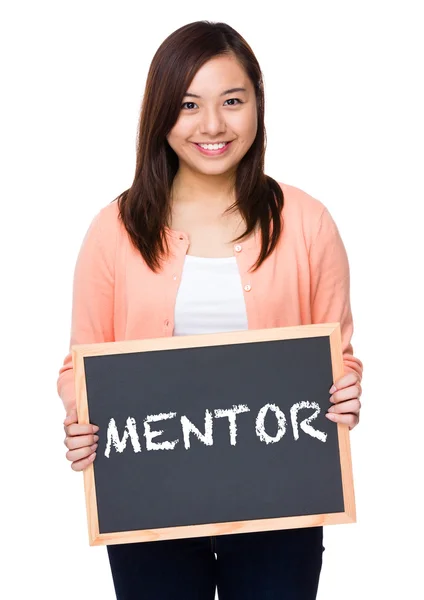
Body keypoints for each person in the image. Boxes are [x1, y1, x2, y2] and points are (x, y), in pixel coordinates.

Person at [57, 20, 363, 600]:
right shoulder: (114, 231)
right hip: (149, 504)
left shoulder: (306, 223)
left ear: (257, 105)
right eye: (189, 105)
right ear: (161, 114)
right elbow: (78, 367)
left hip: (281, 506)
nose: (213, 125)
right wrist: (83, 418)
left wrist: (345, 391)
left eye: (232, 101)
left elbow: (338, 359)